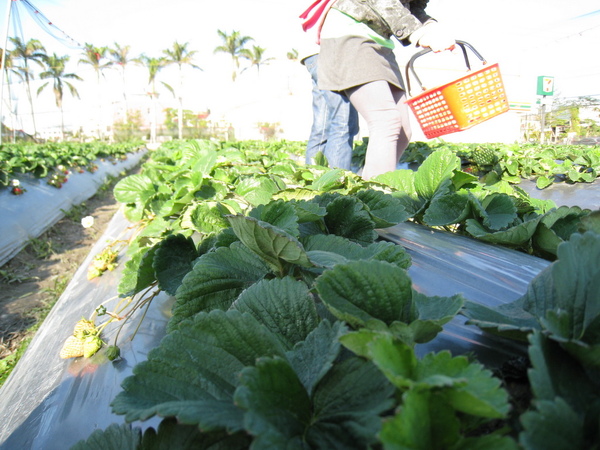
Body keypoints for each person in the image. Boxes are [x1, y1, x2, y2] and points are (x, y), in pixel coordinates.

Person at [302, 0, 455, 179]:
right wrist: (418, 33)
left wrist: (430, 26)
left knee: (402, 132)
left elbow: (413, 7)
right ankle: (376, 196)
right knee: (386, 121)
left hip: (381, 43)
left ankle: (362, 189)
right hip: (351, 32)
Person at [297, 11, 359, 171]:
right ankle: (334, 189)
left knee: (322, 126)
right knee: (343, 122)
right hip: (332, 52)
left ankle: (313, 182)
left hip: (311, 55)